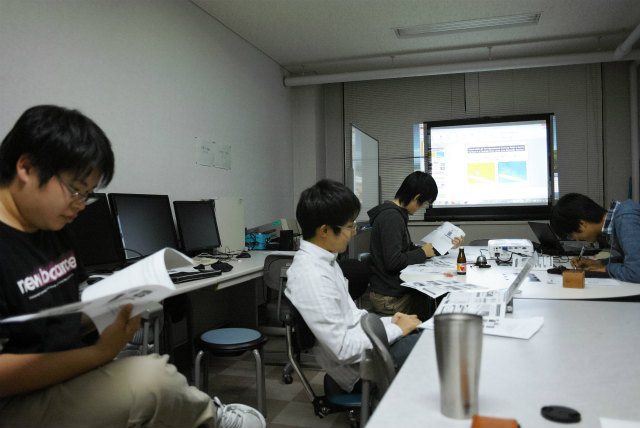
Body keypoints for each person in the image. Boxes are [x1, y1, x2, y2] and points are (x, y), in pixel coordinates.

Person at [0, 105, 265, 428]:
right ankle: (211, 419)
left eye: (88, 195)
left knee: (153, 372)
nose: (80, 205)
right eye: (75, 190)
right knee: (152, 378)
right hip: (16, 400)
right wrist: (98, 353)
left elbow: (57, 318)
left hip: (66, 371)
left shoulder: (50, 227)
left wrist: (115, 305)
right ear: (27, 167)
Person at [285, 179, 422, 393]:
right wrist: (396, 330)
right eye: (349, 226)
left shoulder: (326, 261)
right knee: (435, 350)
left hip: (366, 353)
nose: (353, 232)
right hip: (360, 370)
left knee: (427, 336)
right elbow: (343, 349)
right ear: (324, 230)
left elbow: (353, 318)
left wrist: (389, 323)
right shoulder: (311, 276)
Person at [367, 171, 463, 320]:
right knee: (439, 303)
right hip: (389, 298)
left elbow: (407, 250)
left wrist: (442, 246)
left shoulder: (396, 214)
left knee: (436, 297)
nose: (422, 207)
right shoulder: (391, 217)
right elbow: (393, 262)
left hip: (392, 290)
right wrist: (423, 253)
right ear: (416, 198)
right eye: (424, 203)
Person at [551, 192, 640, 283]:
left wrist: (605, 269)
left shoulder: (626, 220)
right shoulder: (617, 224)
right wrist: (598, 263)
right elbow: (629, 259)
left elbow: (635, 272)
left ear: (582, 224)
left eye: (572, 235)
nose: (577, 239)